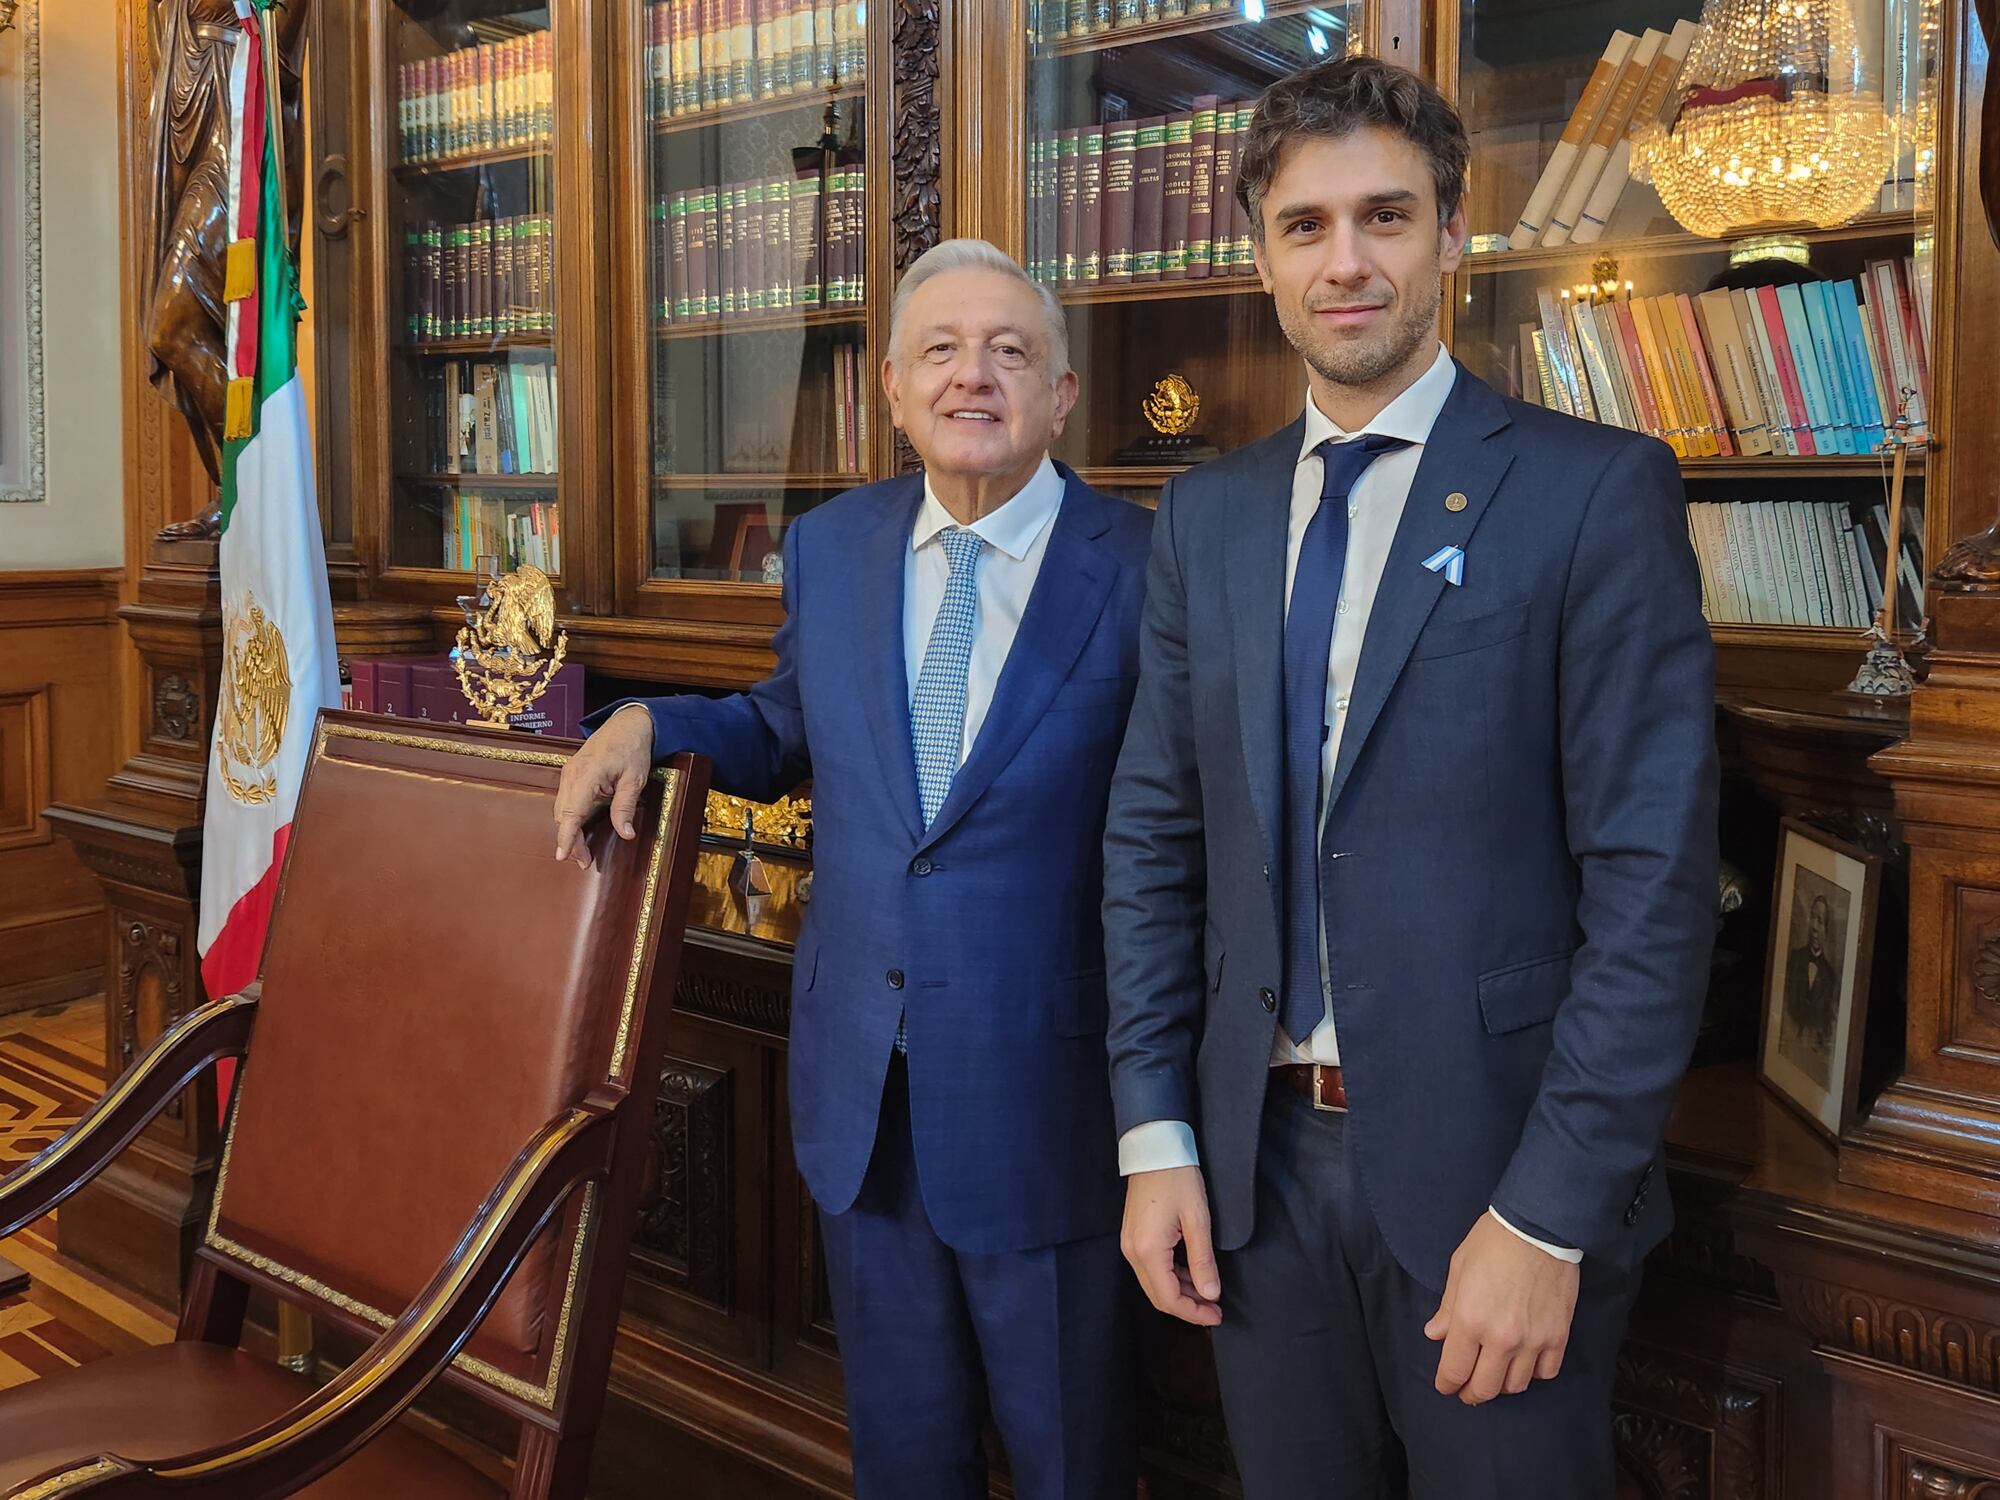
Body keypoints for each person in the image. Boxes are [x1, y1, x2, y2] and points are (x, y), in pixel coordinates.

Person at [1102, 55, 1719, 1499]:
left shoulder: (1592, 490)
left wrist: (1549, 1216)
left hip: (1497, 1183)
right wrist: (1154, 1134)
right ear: (1262, 257)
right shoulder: (1205, 517)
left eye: (1384, 216)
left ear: (1450, 233)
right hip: (1251, 1180)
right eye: (1304, 226)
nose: (1346, 261)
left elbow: (1652, 887)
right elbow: (1152, 841)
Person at [552, 239, 1150, 1500]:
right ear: (890, 389)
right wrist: (651, 720)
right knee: (903, 1460)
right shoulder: (834, 545)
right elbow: (788, 723)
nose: (971, 376)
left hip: (1050, 1105)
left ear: (1060, 395)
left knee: (1071, 1465)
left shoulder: (1147, 566)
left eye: (1008, 352)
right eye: (940, 350)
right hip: (863, 1098)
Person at [1785, 893, 1841, 1050]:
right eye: (1813, 918)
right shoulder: (1795, 959)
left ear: (1826, 930)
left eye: (1820, 921)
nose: (1814, 927)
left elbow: (1827, 1024)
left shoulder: (1830, 977)